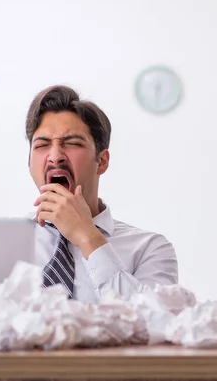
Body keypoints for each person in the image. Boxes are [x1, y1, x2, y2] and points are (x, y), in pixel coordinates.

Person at [25, 85, 178, 303]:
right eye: (43, 145)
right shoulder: (1, 242)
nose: (55, 156)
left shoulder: (150, 249)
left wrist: (87, 236)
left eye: (72, 143)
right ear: (30, 163)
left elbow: (158, 321)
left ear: (102, 161)